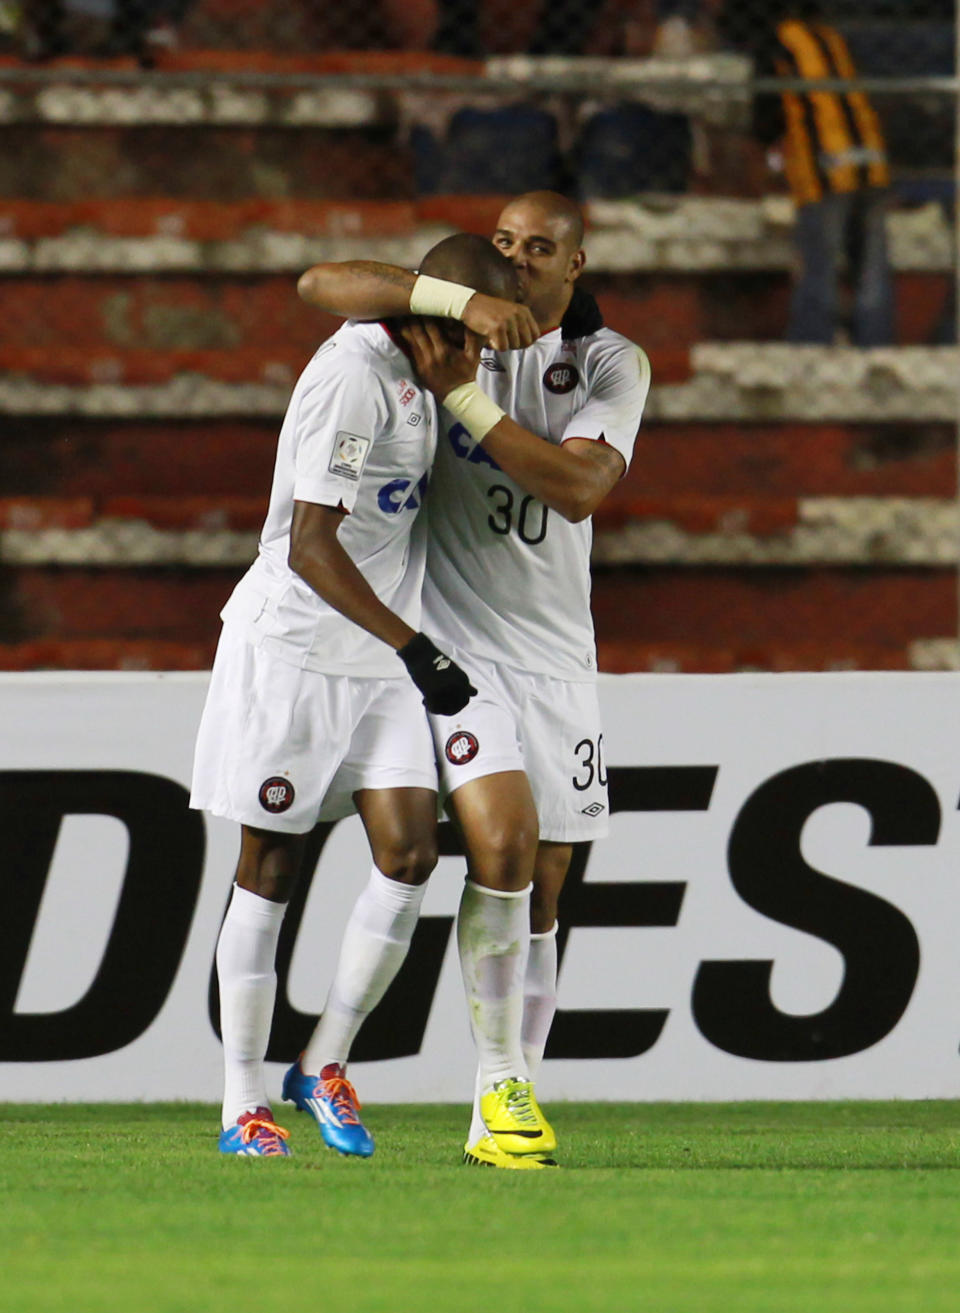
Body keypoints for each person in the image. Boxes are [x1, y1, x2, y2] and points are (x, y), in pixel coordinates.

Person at [296, 190, 651, 1168]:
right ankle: (502, 1089)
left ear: (573, 266)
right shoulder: (444, 319)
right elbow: (319, 282)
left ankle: (506, 1095)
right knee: (503, 842)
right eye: (505, 242)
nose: (519, 259)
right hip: (454, 645)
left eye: (541, 248)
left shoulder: (609, 363)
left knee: (545, 886)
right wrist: (450, 302)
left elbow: (578, 488)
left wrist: (464, 395)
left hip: (554, 654)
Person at [191, 231, 556, 1160]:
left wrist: (404, 646)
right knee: (270, 868)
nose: (478, 362)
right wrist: (417, 648)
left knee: (407, 851)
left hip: (384, 653)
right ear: (436, 317)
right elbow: (312, 546)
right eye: (472, 337)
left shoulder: (422, 374)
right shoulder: (355, 375)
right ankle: (242, 1104)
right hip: (299, 652)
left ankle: (320, 1063)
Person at [727, 0, 894, 346]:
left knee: (820, 265)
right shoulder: (829, 37)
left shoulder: (777, 42)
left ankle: (812, 346)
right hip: (870, 160)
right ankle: (875, 346)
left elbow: (766, 119)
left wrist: (765, 154)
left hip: (825, 166)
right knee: (872, 271)